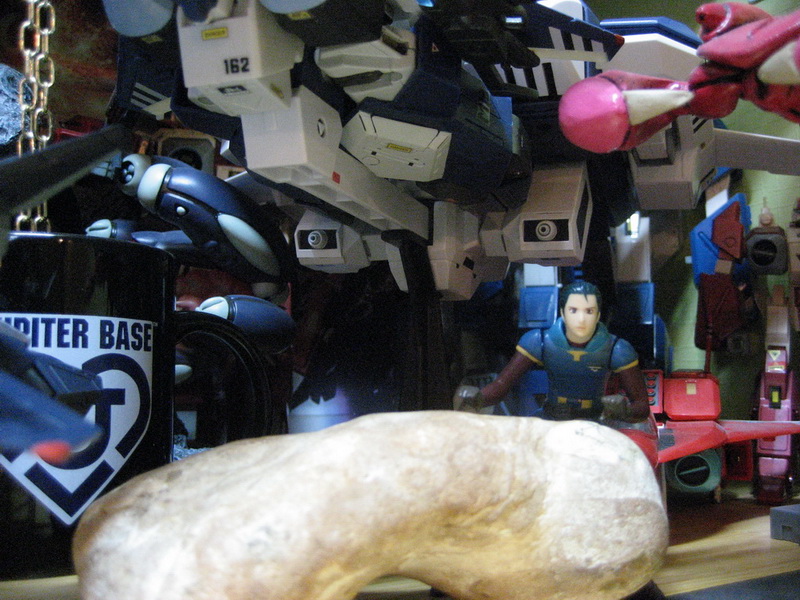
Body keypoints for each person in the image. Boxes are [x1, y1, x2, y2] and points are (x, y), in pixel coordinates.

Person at [454, 280, 650, 424]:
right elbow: (502, 384)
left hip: (595, 421)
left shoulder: (617, 348)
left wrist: (623, 410)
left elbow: (642, 406)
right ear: (563, 312)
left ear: (598, 315)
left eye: (589, 311)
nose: (581, 319)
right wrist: (477, 399)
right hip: (551, 418)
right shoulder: (539, 341)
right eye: (574, 310)